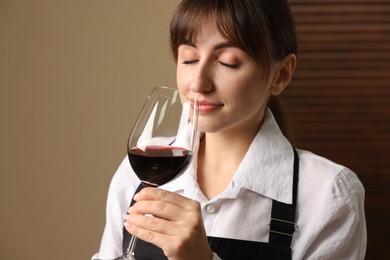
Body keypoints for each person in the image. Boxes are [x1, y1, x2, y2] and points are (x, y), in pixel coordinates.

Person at [93, 0, 367, 259]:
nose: (198, 84)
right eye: (188, 59)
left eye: (227, 62)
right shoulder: (139, 171)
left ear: (280, 74)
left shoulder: (328, 193)